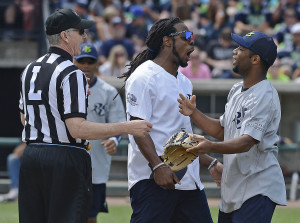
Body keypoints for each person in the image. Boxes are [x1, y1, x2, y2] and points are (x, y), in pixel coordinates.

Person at [18, 8, 152, 223]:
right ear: (65, 35)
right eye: (80, 31)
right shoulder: (72, 73)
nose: (85, 36)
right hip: (65, 157)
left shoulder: (30, 69)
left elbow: (25, 119)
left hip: (32, 155)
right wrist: (127, 127)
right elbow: (77, 128)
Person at [178, 31, 287, 223]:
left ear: (255, 59)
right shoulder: (237, 89)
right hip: (235, 186)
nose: (234, 51)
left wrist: (210, 146)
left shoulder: (265, 95)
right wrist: (193, 113)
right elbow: (222, 130)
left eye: (241, 49)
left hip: (258, 186)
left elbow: (247, 142)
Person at [121, 17, 223, 223]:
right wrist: (158, 167)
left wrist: (210, 162)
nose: (192, 42)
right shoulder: (144, 76)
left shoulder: (184, 82)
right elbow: (137, 129)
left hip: (188, 183)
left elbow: (180, 137)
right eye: (186, 36)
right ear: (167, 41)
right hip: (154, 181)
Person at [73, 42, 126, 223]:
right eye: (82, 61)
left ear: (96, 63)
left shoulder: (108, 91)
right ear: (74, 62)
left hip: (96, 163)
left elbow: (118, 123)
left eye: (90, 61)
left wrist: (114, 140)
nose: (86, 65)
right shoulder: (65, 88)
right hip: (69, 160)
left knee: (90, 216)